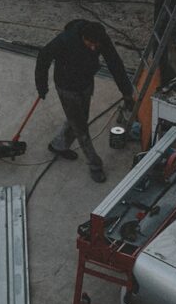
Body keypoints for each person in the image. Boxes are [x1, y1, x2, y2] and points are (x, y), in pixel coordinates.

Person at [35, 20, 135, 183]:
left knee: (80, 119)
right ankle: (95, 165)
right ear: (82, 37)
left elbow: (114, 63)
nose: (94, 48)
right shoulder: (64, 40)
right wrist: (42, 86)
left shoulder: (100, 39)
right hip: (67, 88)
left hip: (86, 83)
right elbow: (43, 58)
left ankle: (58, 145)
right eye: (90, 44)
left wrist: (126, 92)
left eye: (97, 44)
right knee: (81, 129)